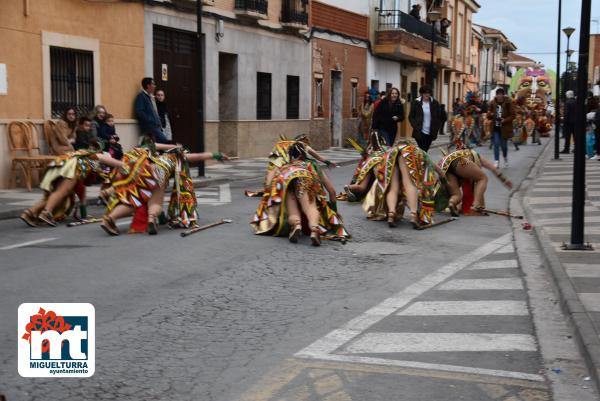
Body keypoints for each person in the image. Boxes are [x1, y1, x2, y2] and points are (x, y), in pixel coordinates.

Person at [101, 143, 230, 236]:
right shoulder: (177, 157)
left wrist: (171, 146)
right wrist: (217, 155)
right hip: (160, 172)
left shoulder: (155, 155)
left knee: (134, 200)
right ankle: (151, 219)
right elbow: (199, 156)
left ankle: (110, 218)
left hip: (142, 168)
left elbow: (154, 144)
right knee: (156, 202)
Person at [250, 141, 350, 246]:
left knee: (292, 211)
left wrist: (268, 190)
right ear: (303, 154)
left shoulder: (284, 164)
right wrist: (333, 212)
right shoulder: (311, 164)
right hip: (304, 178)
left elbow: (269, 180)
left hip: (287, 181)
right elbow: (332, 191)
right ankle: (314, 229)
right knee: (310, 208)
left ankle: (296, 225)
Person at [19, 150, 124, 227]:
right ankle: (47, 213)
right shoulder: (94, 156)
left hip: (59, 164)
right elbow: (82, 195)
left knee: (53, 195)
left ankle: (29, 213)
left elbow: (82, 193)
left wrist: (83, 214)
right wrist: (126, 164)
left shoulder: (84, 159)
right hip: (71, 166)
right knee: (61, 192)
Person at [362, 138, 444, 228]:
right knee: (409, 183)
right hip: (405, 155)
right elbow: (435, 168)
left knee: (393, 188)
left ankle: (391, 213)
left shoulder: (393, 150)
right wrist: (444, 179)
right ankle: (413, 215)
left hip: (390, 156)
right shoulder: (416, 150)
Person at [437, 139, 513, 217]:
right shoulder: (475, 155)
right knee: (483, 178)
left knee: (457, 195)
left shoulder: (463, 155)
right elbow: (492, 168)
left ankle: (452, 203)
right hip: (459, 161)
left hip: (446, 165)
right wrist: (504, 180)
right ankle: (475, 207)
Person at [344, 131, 388, 202]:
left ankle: (349, 187)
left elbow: (363, 161)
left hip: (368, 168)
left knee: (363, 187)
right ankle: (382, 195)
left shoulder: (369, 150)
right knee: (381, 182)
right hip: (379, 167)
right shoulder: (385, 148)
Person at [134, 77, 168, 144]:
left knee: (156, 147)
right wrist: (151, 120)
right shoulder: (141, 97)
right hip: (151, 127)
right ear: (148, 85)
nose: (155, 86)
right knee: (164, 141)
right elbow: (139, 112)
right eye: (153, 84)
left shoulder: (150, 97)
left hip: (156, 126)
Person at [486, 88, 515, 168]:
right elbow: (488, 116)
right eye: (498, 94)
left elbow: (513, 115)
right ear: (496, 95)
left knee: (504, 146)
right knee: (496, 144)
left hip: (504, 128)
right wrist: (490, 114)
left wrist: (504, 120)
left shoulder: (508, 102)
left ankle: (505, 158)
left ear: (503, 95)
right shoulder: (492, 103)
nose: (499, 96)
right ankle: (496, 161)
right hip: (495, 128)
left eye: (501, 94)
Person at [409, 85, 442, 152]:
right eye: (425, 93)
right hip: (419, 131)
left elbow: (439, 117)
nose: (427, 94)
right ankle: (422, 162)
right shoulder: (416, 102)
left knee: (425, 151)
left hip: (430, 132)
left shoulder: (435, 103)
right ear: (421, 93)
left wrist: (436, 128)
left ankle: (421, 162)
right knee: (423, 150)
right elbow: (411, 117)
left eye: (428, 93)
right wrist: (416, 126)